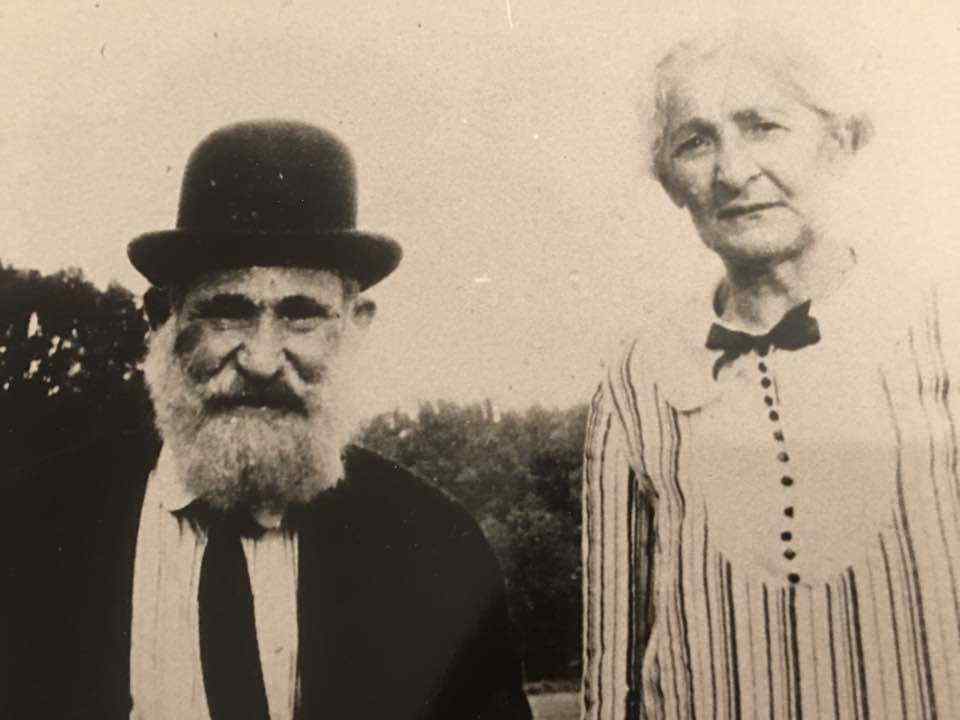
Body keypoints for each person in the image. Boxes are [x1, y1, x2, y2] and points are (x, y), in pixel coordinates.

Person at [2, 120, 532, 720]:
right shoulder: (32, 528)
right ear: (163, 318)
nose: (260, 360)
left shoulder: (435, 548)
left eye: (301, 315)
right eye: (227, 312)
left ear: (356, 324)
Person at [581, 34, 960, 719]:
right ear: (669, 182)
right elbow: (611, 678)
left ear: (839, 142)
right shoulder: (636, 381)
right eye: (695, 142)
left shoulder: (942, 330)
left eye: (763, 126)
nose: (732, 171)